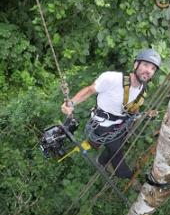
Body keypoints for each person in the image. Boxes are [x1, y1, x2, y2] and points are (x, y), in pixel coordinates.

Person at [61, 49, 161, 180]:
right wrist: (71, 103)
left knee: (121, 140)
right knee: (117, 152)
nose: (148, 70)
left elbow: (133, 108)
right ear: (135, 65)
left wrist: (143, 115)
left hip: (121, 122)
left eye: (153, 68)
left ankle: (102, 161)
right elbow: (90, 90)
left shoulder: (142, 89)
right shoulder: (112, 78)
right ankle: (126, 175)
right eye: (145, 65)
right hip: (102, 123)